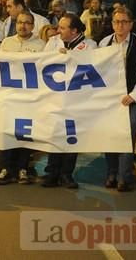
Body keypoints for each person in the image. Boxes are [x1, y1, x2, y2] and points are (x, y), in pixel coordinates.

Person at [99, 7, 136, 192]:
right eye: (116, 21)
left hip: (133, 100)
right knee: (109, 136)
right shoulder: (104, 43)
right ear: (112, 23)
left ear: (130, 24)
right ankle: (111, 173)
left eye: (124, 21)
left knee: (127, 138)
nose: (120, 25)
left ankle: (124, 177)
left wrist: (133, 95)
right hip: (110, 101)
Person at [42, 14, 97, 189]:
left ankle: (66, 174)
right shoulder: (53, 42)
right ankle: (51, 173)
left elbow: (91, 68)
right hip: (56, 97)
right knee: (54, 134)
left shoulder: (91, 45)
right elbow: (42, 63)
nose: (58, 31)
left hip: (78, 99)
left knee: (71, 137)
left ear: (74, 31)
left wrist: (71, 57)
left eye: (63, 28)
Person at [0, 11, 45, 186]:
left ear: (33, 26)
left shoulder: (41, 45)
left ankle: (23, 168)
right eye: (19, 23)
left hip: (29, 98)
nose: (22, 26)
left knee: (24, 133)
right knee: (7, 132)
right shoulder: (7, 43)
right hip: (8, 96)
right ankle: (7, 168)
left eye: (27, 23)